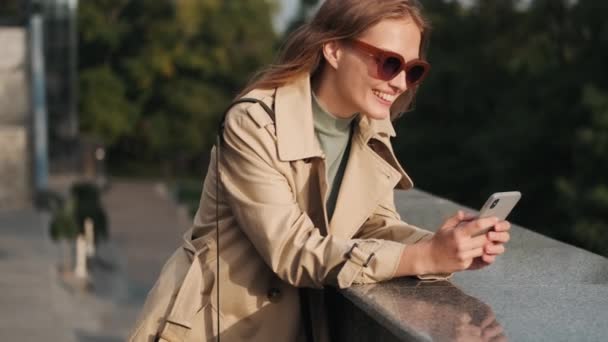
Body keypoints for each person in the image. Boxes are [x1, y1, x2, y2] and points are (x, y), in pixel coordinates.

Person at [128, 0, 511, 341]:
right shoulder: (254, 123)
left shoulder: (369, 128)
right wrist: (424, 257)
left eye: (412, 70)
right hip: (213, 328)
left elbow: (371, 226)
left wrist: (447, 244)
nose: (398, 83)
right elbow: (292, 250)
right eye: (388, 62)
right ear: (333, 49)